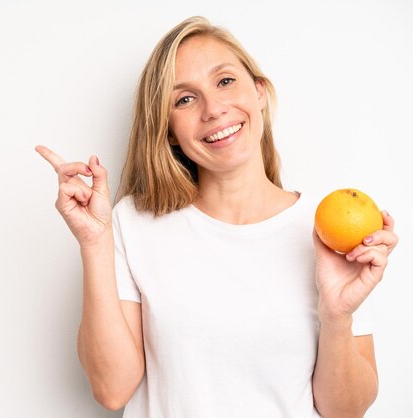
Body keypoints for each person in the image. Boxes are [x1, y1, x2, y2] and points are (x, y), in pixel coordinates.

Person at [36, 16, 398, 418]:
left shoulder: (327, 229)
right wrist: (94, 243)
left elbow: (344, 412)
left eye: (225, 81)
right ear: (169, 130)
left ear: (259, 91)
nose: (214, 110)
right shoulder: (134, 222)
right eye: (184, 99)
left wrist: (337, 315)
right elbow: (112, 389)